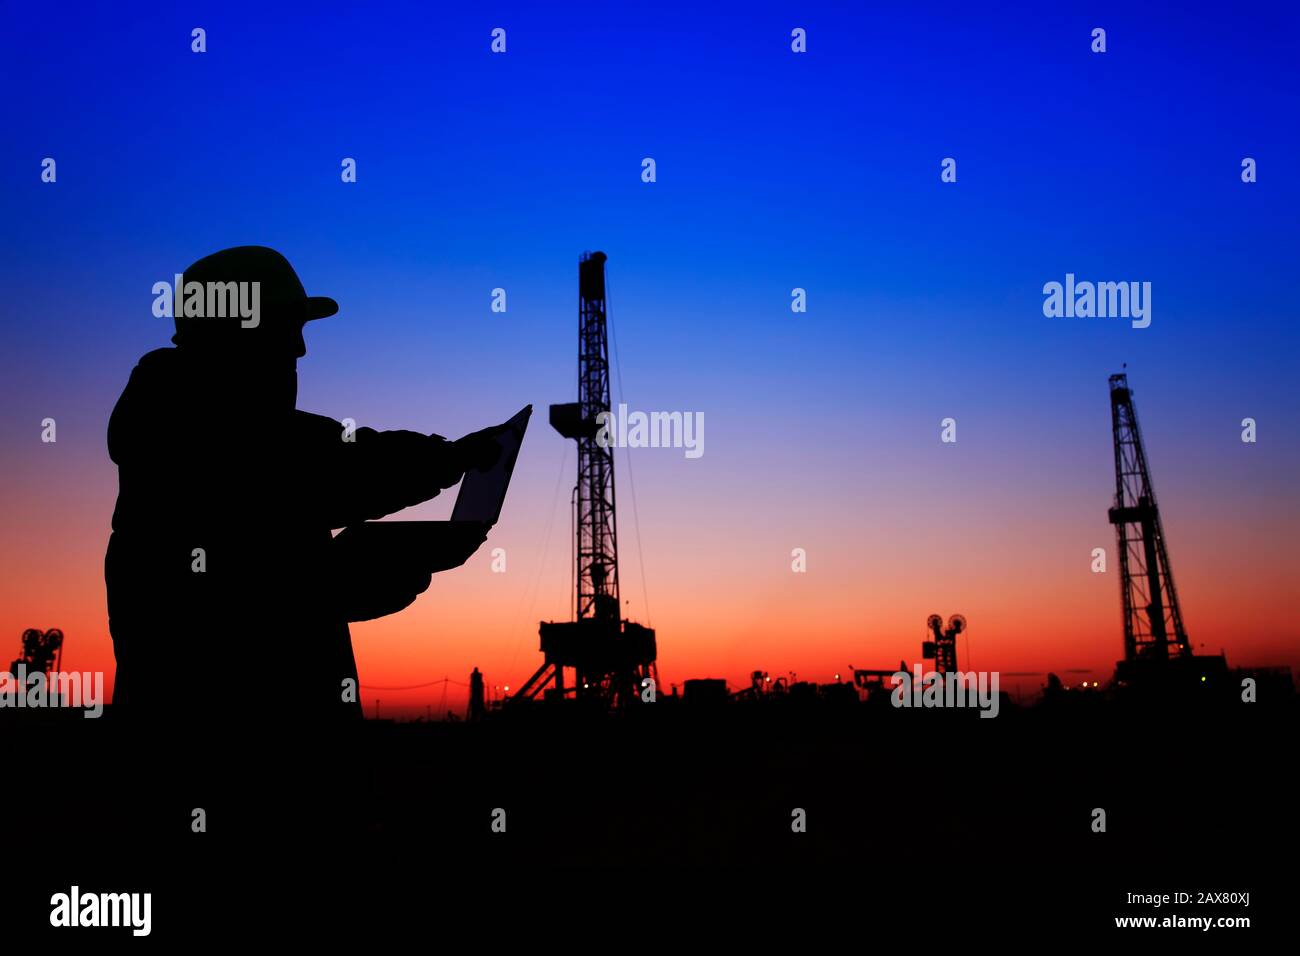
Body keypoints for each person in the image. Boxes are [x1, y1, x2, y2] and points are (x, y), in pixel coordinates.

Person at [105, 246, 502, 733]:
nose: (300, 349)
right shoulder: (194, 437)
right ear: (238, 331)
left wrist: (342, 582)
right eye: (286, 328)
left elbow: (313, 492)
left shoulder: (198, 433)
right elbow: (329, 467)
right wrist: (445, 464)